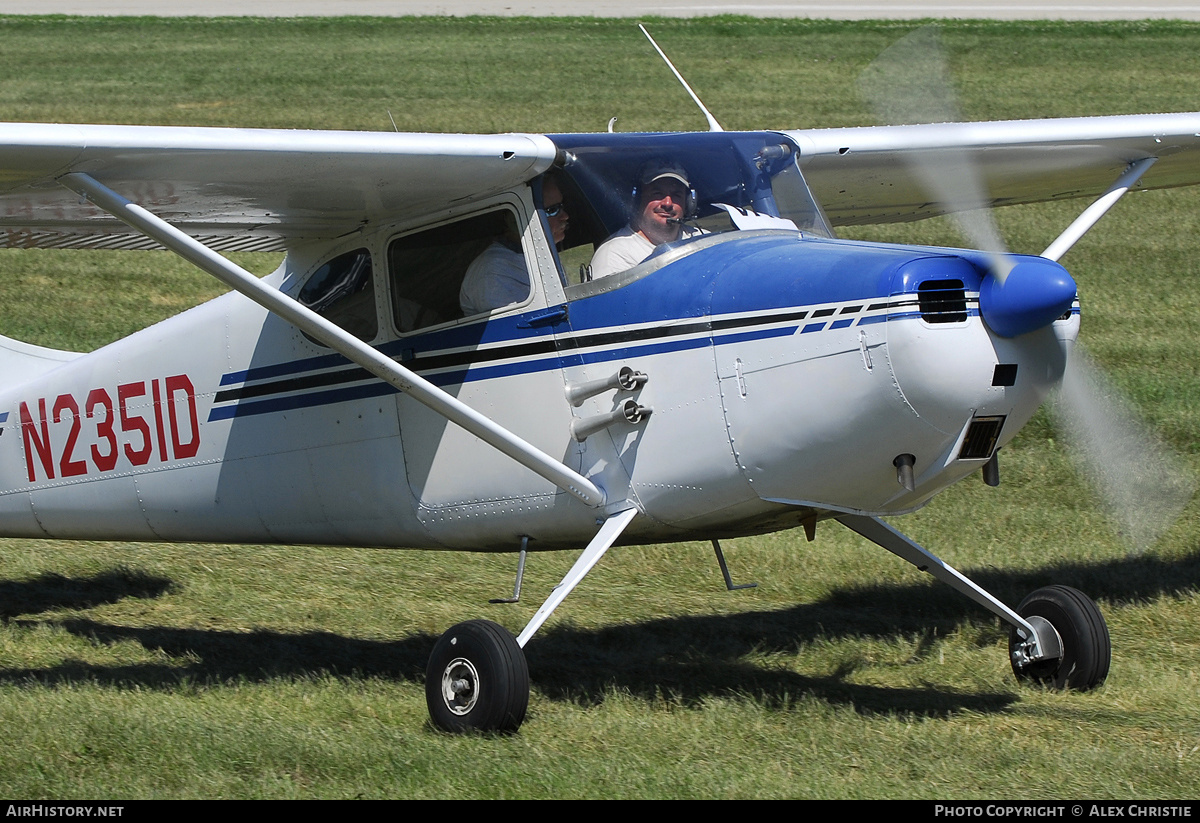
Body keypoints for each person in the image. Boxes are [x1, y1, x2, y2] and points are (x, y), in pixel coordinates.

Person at [459, 175, 569, 315]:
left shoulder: (535, 257)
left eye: (561, 206)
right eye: (552, 210)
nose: (565, 216)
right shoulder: (494, 270)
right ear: (518, 219)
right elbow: (523, 325)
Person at [589, 161, 702, 280]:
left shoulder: (702, 238)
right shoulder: (614, 256)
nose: (668, 203)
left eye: (676, 195)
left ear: (689, 203)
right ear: (637, 200)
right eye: (657, 194)